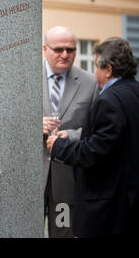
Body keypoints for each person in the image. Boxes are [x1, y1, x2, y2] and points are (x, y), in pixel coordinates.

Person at [47, 37, 139, 237]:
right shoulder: (134, 92)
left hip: (109, 207)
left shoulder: (109, 100)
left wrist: (59, 145)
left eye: (97, 66)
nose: (95, 72)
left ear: (109, 70)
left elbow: (94, 151)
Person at [42, 26, 99, 238]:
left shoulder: (90, 83)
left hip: (67, 182)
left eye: (71, 50)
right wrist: (35, 126)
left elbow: (96, 129)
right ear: (44, 48)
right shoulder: (25, 79)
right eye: (59, 49)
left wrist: (72, 136)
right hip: (30, 179)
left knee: (63, 233)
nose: (65, 55)